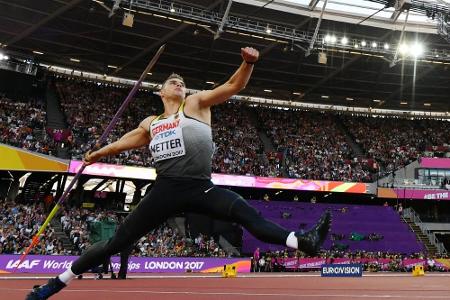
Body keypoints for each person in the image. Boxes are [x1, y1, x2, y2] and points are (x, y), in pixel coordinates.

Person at [26, 46, 331, 299]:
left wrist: (247, 63)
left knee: (247, 214)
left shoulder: (196, 104)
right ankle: (54, 285)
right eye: (173, 82)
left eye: (181, 82)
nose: (179, 83)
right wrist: (96, 154)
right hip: (165, 190)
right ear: (161, 92)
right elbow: (123, 143)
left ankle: (302, 242)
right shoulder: (152, 122)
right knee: (116, 243)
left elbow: (233, 86)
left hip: (201, 187)